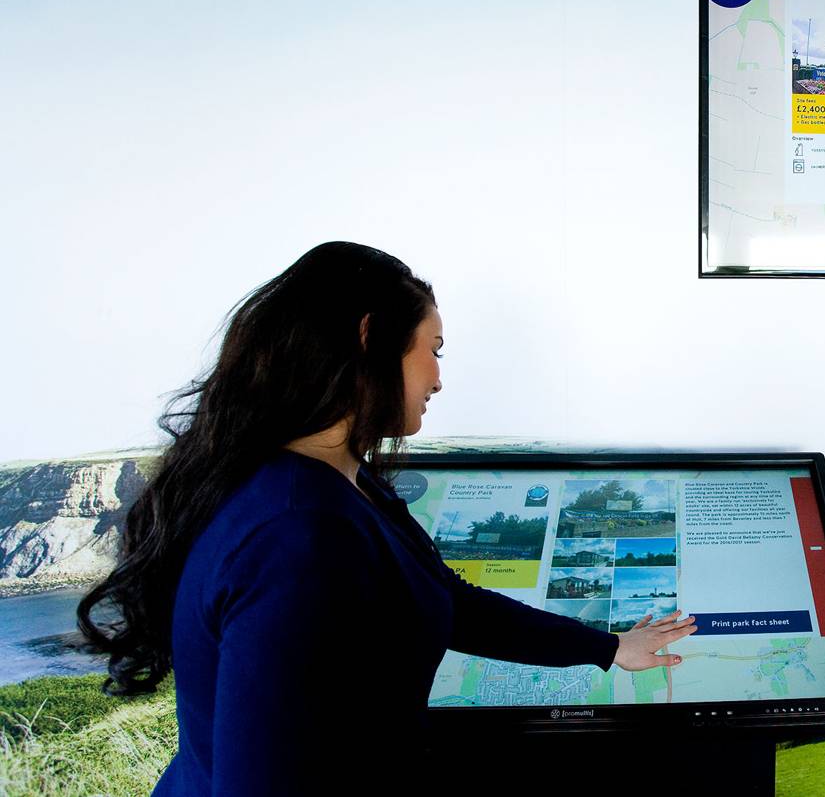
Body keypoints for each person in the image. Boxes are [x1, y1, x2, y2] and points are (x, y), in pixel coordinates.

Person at [78, 241, 696, 794]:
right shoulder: (296, 536)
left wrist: (609, 647)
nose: (439, 379)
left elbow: (446, 600)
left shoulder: (345, 483)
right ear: (370, 337)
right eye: (434, 350)